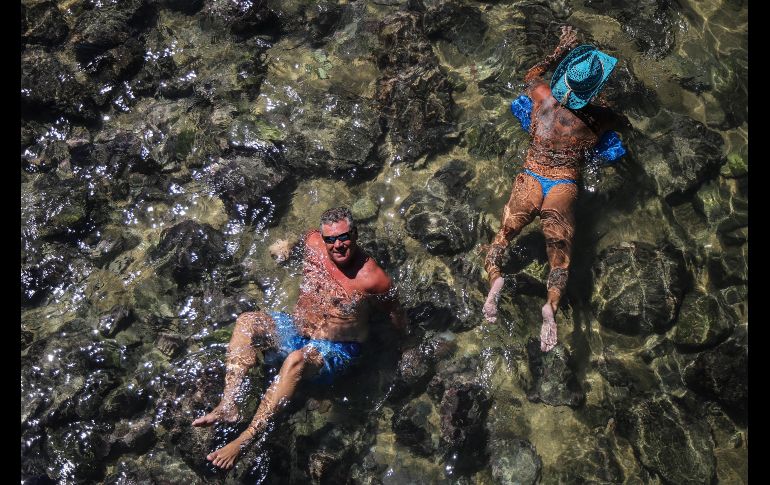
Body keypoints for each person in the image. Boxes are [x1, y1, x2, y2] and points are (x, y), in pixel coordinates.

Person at [192, 207, 408, 470]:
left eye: (344, 237)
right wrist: (285, 246)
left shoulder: (372, 278)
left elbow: (396, 315)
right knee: (247, 321)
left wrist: (399, 348)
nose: (338, 245)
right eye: (331, 239)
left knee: (296, 360)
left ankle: (246, 439)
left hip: (335, 349)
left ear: (355, 234)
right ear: (323, 238)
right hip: (296, 329)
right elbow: (301, 236)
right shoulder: (314, 243)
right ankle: (228, 405)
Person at [482, 26, 628, 352]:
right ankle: (550, 306)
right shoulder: (598, 118)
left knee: (503, 236)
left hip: (531, 176)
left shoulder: (542, 96)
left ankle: (496, 279)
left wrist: (559, 49)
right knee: (560, 260)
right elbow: (622, 123)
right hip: (562, 185)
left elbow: (530, 74)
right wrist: (605, 105)